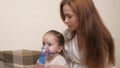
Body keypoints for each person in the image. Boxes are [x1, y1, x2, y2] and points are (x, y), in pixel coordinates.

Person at [37, 0, 116, 68]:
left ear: (83, 15)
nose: (65, 21)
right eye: (64, 16)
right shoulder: (66, 35)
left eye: (69, 16)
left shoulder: (103, 40)